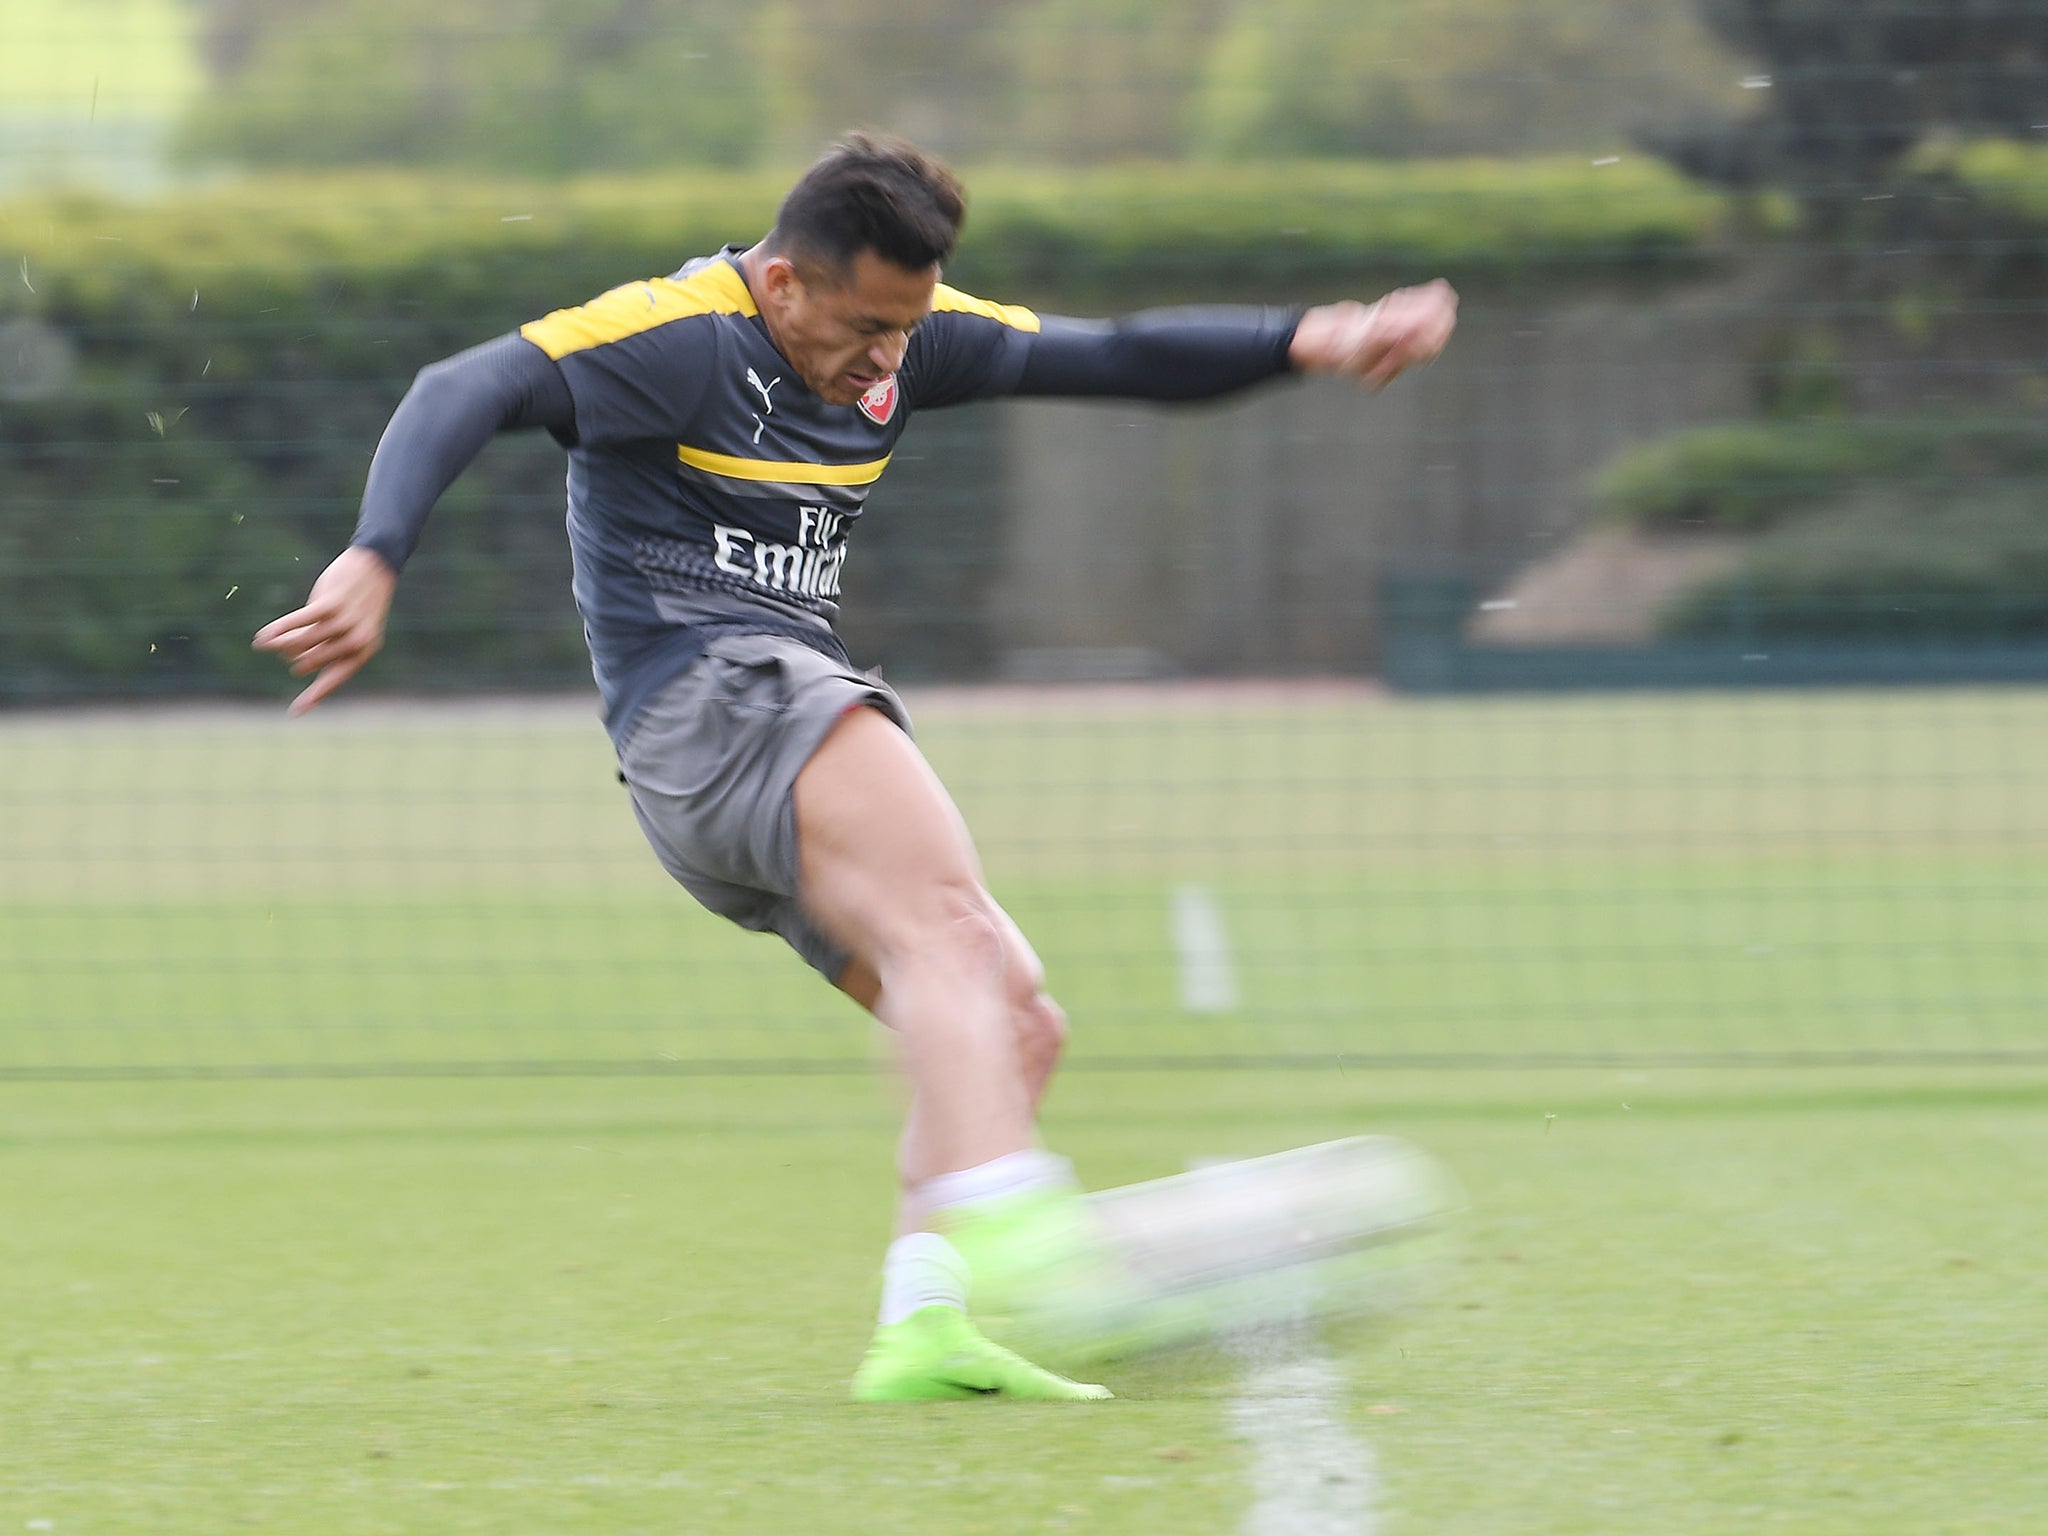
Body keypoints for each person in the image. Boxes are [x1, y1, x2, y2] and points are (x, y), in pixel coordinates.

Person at [254, 131, 1458, 1402]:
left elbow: (1115, 355)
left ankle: (922, 1324)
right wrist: (374, 554)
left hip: (742, 745)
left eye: (910, 324)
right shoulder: (679, 335)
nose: (890, 356)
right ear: (784, 286)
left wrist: (1308, 338)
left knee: (1006, 1017)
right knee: (945, 923)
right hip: (713, 704)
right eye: (869, 324)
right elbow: (464, 384)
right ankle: (1037, 1240)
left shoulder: (906, 337)